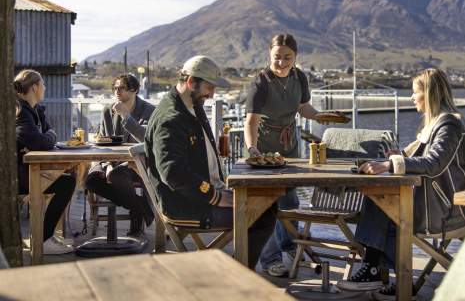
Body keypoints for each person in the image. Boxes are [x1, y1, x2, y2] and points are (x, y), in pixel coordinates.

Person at [337, 68, 465, 300]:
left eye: (415, 92)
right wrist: (396, 156)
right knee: (380, 197)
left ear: (430, 94)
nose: (411, 97)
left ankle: (375, 270)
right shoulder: (434, 125)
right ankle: (382, 272)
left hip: (448, 209)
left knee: (383, 202)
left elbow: (434, 163)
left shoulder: (449, 125)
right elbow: (415, 153)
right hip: (434, 201)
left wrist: (390, 165)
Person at [145, 55, 277, 269]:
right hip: (187, 206)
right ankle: (238, 276)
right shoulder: (170, 118)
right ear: (191, 82)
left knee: (267, 203)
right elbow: (173, 173)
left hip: (202, 195)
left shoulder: (191, 105)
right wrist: (215, 197)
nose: (212, 94)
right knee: (263, 214)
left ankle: (237, 271)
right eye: (209, 87)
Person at [244, 33, 325, 277]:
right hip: (264, 148)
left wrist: (320, 116)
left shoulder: (299, 76)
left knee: (290, 201)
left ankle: (290, 246)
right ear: (269, 55)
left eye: (287, 57)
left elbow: (302, 107)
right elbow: (251, 121)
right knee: (267, 204)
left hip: (290, 146)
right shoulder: (260, 82)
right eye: (277, 57)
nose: (281, 62)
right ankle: (270, 259)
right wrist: (252, 149)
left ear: (295, 56)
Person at [85, 73, 155, 236]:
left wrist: (126, 116)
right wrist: (108, 165)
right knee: (91, 181)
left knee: (118, 175)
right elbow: (103, 140)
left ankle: (136, 217)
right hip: (112, 161)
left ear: (135, 90)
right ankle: (139, 207)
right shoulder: (108, 111)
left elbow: (147, 140)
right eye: (115, 88)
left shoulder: (149, 111)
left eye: (122, 88)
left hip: (139, 164)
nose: (117, 91)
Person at [15, 69, 76, 255]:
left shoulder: (35, 110)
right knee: (67, 183)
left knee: (68, 178)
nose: (45, 87)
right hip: (16, 176)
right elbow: (40, 141)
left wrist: (46, 137)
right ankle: (43, 240)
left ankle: (46, 237)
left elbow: (48, 135)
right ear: (35, 87)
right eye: (43, 84)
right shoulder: (20, 111)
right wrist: (46, 137)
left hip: (27, 170)